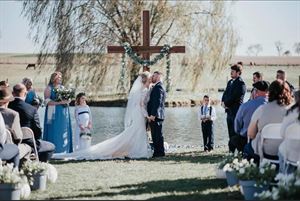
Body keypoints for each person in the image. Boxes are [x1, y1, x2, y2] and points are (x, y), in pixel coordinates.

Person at [52, 71, 153, 160]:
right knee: (136, 132)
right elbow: (141, 105)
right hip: (139, 114)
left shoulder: (140, 90)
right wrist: (147, 115)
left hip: (138, 114)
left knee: (135, 132)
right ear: (145, 81)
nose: (150, 81)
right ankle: (138, 151)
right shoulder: (142, 91)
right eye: (149, 80)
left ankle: (137, 150)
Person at [245, 79, 293, 163]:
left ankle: (255, 170)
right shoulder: (293, 111)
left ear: (270, 92)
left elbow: (251, 134)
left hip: (265, 152)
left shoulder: (261, 109)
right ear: (288, 93)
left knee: (247, 148)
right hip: (288, 151)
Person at [8, 83, 55, 162]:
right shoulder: (31, 109)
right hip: (28, 142)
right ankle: (38, 165)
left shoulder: (7, 107)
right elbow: (37, 130)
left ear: (13, 93)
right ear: (25, 93)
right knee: (51, 146)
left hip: (9, 141)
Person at [229, 80, 269, 153]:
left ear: (255, 92)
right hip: (268, 141)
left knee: (233, 140)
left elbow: (237, 126)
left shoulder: (245, 106)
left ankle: (236, 158)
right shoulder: (273, 105)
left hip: (247, 140)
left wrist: (240, 132)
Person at [43, 72, 73, 153]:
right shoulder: (49, 88)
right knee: (54, 130)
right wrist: (60, 103)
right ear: (53, 79)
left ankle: (64, 150)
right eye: (58, 77)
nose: (60, 79)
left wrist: (68, 100)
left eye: (60, 77)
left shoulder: (63, 88)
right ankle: (52, 150)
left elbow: (67, 99)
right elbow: (47, 102)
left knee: (63, 129)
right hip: (52, 112)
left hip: (63, 113)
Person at [0, 87, 32, 161]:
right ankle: (20, 169)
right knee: (27, 148)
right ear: (7, 101)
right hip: (8, 146)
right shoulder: (13, 114)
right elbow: (18, 137)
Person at [221, 64, 246, 151]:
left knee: (236, 132)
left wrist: (226, 103)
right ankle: (231, 150)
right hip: (229, 112)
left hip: (236, 113)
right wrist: (222, 102)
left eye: (233, 71)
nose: (231, 73)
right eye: (231, 71)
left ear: (238, 73)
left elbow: (234, 97)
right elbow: (225, 93)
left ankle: (238, 151)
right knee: (230, 132)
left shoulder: (241, 84)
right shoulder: (230, 82)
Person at [278, 90, 300, 173]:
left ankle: (285, 178)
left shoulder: (290, 112)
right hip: (293, 153)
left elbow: (282, 134)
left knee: (282, 150)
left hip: (290, 153)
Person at [147, 71, 167, 158]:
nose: (152, 78)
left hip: (156, 116)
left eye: (154, 76)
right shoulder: (157, 86)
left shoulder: (158, 87)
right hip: (156, 115)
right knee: (155, 135)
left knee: (157, 135)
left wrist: (153, 115)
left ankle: (159, 152)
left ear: (158, 76)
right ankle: (158, 152)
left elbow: (157, 103)